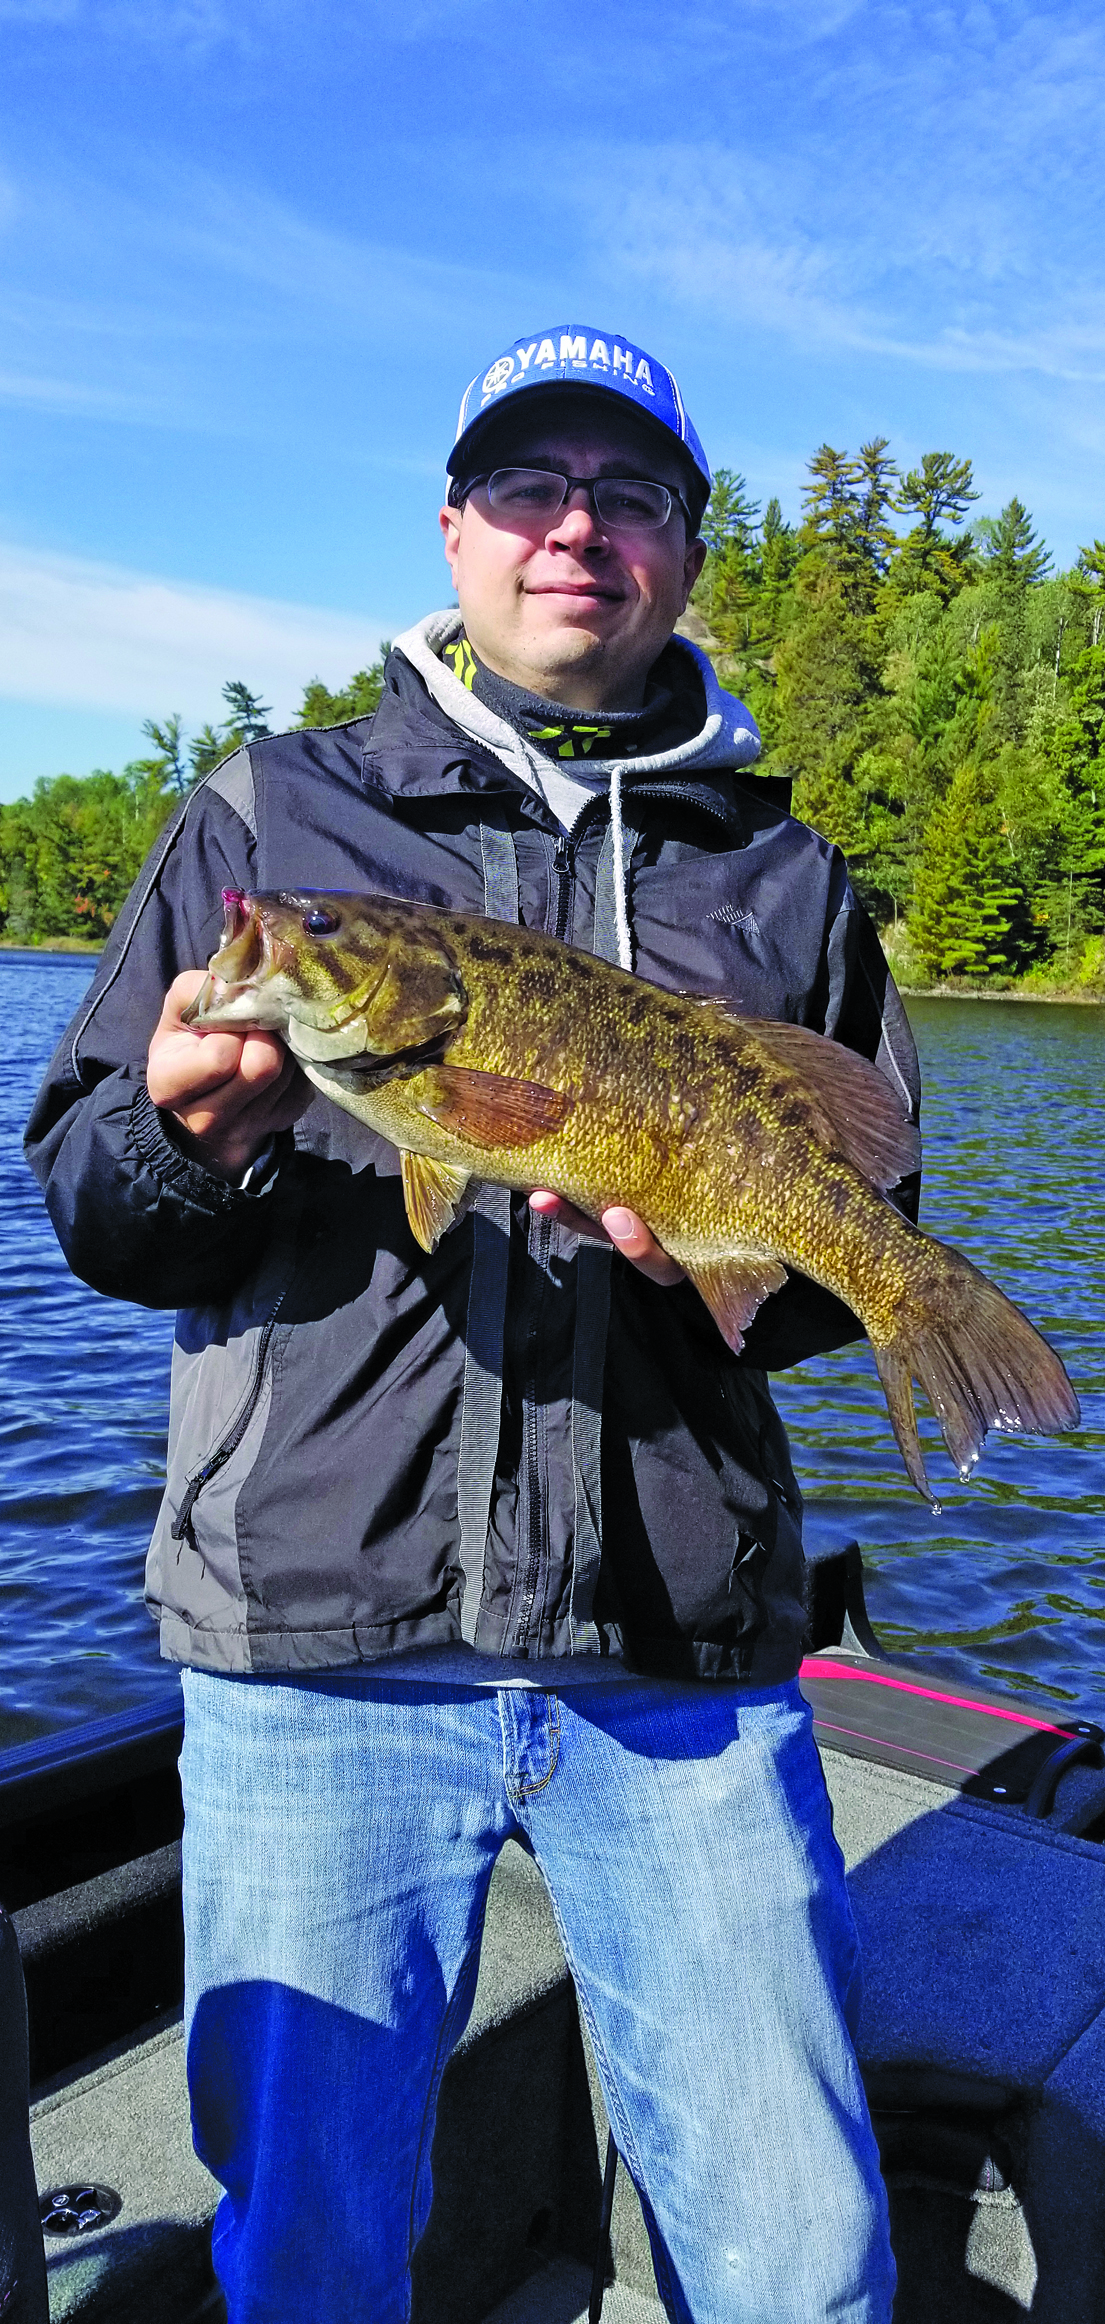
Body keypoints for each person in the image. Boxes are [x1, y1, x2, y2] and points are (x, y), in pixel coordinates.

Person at [27, 325, 915, 2323]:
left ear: (688, 546)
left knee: (799, 2254)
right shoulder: (265, 819)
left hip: (681, 1657)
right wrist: (190, 1138)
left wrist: (721, 1263)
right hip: (315, 1651)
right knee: (313, 2255)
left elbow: (863, 1239)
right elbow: (91, 1195)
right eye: (531, 484)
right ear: (456, 527)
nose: (577, 526)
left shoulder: (789, 878)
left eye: (630, 492)